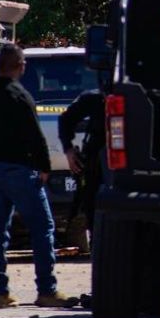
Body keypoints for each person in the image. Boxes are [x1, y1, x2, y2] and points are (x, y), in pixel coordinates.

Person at [0, 44, 78, 309]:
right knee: (43, 228)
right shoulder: (20, 96)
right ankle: (46, 290)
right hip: (20, 171)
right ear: (20, 66)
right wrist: (44, 167)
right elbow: (35, 135)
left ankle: (0, 293)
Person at [57, 85, 105, 236]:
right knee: (91, 204)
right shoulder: (96, 98)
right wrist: (68, 150)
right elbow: (66, 119)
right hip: (96, 162)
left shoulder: (144, 98)